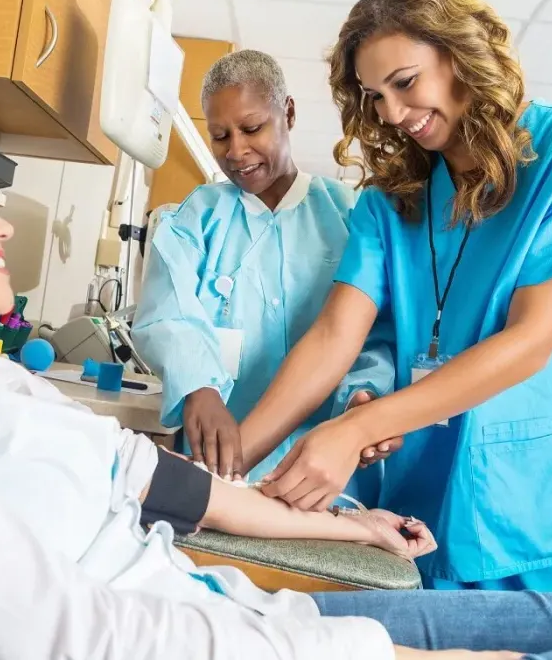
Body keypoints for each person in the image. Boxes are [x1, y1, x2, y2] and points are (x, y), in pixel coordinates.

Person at [0, 112, 552, 660]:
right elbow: (75, 640)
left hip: (251, 601)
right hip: (243, 635)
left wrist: (339, 514)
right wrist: (211, 398)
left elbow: (162, 479)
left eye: (254, 128)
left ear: (285, 116)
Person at [237, 0, 552, 593]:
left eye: (404, 83)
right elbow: (335, 334)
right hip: (423, 497)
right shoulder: (391, 202)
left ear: (463, 56)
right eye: (374, 95)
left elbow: (531, 340)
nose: (392, 113)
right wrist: (224, 465)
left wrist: (361, 427)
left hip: (542, 507)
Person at [132, 49, 394, 501]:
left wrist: (363, 397)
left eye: (252, 128)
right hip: (215, 465)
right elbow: (167, 313)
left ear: (287, 112)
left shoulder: (350, 217)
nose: (236, 151)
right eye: (219, 136)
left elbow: (377, 334)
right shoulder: (196, 219)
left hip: (322, 477)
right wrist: (198, 386)